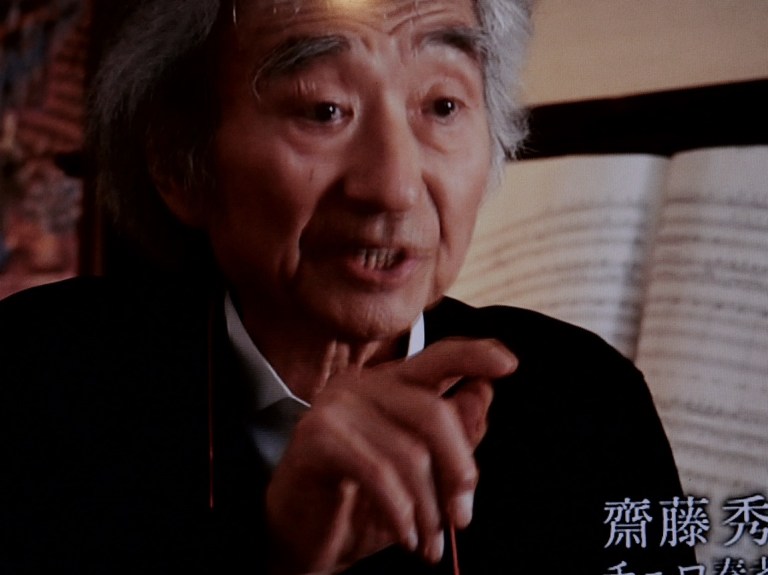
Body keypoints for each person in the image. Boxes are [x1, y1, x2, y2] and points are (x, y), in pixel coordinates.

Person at [0, 1, 695, 573]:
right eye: (324, 110)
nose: (394, 187)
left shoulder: (591, 404)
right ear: (179, 164)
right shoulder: (37, 381)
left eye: (443, 105)